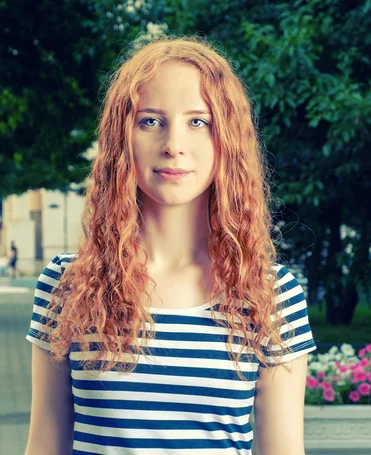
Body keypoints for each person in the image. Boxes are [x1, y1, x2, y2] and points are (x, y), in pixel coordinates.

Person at [25, 36, 316, 455]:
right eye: (150, 121)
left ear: (227, 141)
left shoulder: (271, 295)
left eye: (198, 121)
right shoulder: (67, 285)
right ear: (120, 139)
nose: (173, 144)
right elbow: (44, 443)